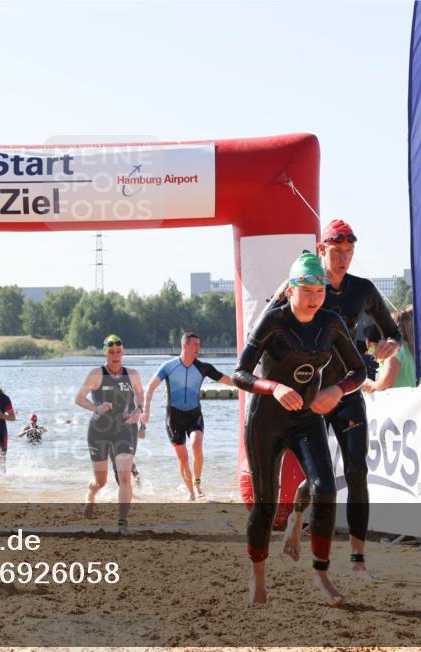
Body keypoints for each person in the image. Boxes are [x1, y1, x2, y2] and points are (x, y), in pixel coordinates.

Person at [233, 252, 366, 605]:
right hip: (266, 421)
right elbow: (240, 374)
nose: (314, 297)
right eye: (307, 290)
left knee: (325, 489)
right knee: (266, 504)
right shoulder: (274, 321)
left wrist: (338, 389)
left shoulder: (331, 323)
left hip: (305, 419)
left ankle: (321, 574)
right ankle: (257, 577)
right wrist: (273, 387)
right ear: (291, 290)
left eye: (320, 290)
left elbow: (359, 370)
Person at [278, 219, 401, 579]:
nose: (344, 258)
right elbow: (269, 325)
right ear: (321, 250)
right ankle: (297, 517)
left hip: (346, 390)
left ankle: (358, 560)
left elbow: (392, 332)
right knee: (319, 479)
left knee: (357, 470)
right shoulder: (303, 286)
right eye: (337, 252)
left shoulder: (362, 290)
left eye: (349, 252)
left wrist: (390, 344)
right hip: (311, 394)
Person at [142, 331, 235, 501]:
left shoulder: (203, 367)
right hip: (174, 419)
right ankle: (190, 492)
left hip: (194, 415)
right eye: (195, 345)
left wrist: (250, 383)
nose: (199, 348)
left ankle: (197, 483)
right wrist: (146, 410)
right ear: (185, 345)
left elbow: (227, 380)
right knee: (183, 458)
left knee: (196, 445)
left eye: (199, 345)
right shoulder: (168, 367)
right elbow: (150, 387)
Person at [75, 334, 144, 530]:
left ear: (122, 353)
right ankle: (90, 494)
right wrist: (96, 408)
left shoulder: (132, 374)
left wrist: (139, 410)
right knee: (101, 481)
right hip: (99, 431)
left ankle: (122, 523)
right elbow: (79, 399)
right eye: (111, 352)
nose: (115, 356)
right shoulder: (97, 374)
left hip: (125, 429)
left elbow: (140, 393)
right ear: (105, 354)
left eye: (118, 352)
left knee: (124, 476)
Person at [363, 306, 418, 391]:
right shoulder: (411, 349)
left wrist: (369, 385)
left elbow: (387, 382)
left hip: (397, 398)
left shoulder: (395, 349)